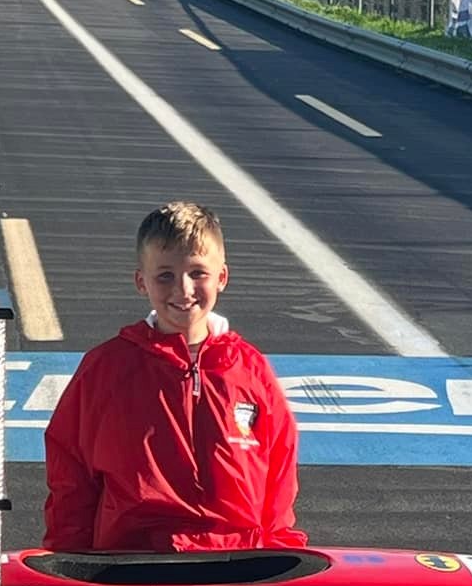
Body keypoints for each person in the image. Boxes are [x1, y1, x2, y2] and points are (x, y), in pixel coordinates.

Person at [43, 201, 307, 553]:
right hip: (134, 562)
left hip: (236, 564)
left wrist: (282, 558)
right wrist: (66, 560)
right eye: (165, 275)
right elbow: (71, 478)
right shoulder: (107, 368)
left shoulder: (250, 370)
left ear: (222, 277)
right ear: (141, 281)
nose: (183, 290)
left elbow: (278, 480)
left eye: (197, 273)